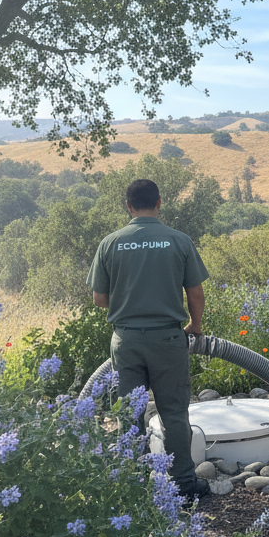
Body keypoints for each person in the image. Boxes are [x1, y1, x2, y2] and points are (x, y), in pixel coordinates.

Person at [87, 178, 210, 500]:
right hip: (168, 339)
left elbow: (100, 299)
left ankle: (135, 483)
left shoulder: (110, 243)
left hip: (125, 341)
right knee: (173, 412)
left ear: (128, 206)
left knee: (129, 413)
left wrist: (131, 304)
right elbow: (195, 292)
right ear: (159, 203)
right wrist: (195, 327)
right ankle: (183, 485)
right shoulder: (178, 240)